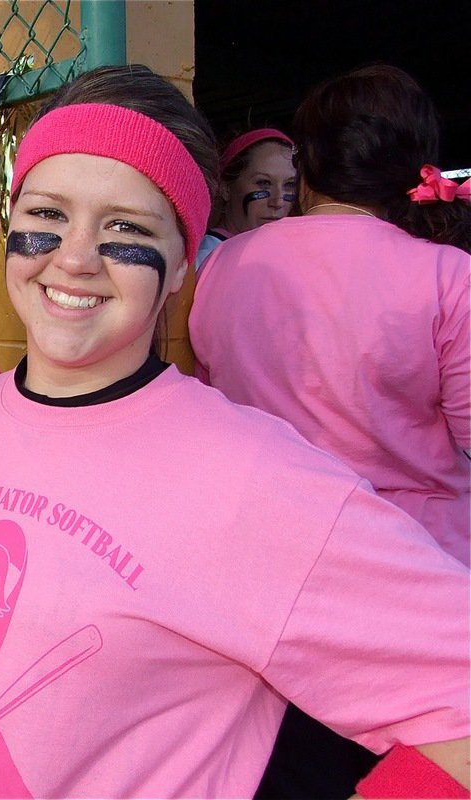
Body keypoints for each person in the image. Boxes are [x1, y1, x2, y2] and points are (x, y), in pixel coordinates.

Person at [0, 64, 469, 799]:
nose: (75, 257)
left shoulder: (253, 480)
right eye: (48, 215)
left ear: (186, 263)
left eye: (126, 228)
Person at [189, 64, 471, 799]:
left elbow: (216, 398)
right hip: (417, 587)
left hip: (264, 578)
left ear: (308, 163)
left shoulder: (224, 270)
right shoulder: (447, 277)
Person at [195, 127, 296, 270]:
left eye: (289, 185)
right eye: (263, 183)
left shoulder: (287, 254)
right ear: (226, 188)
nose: (278, 202)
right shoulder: (205, 260)